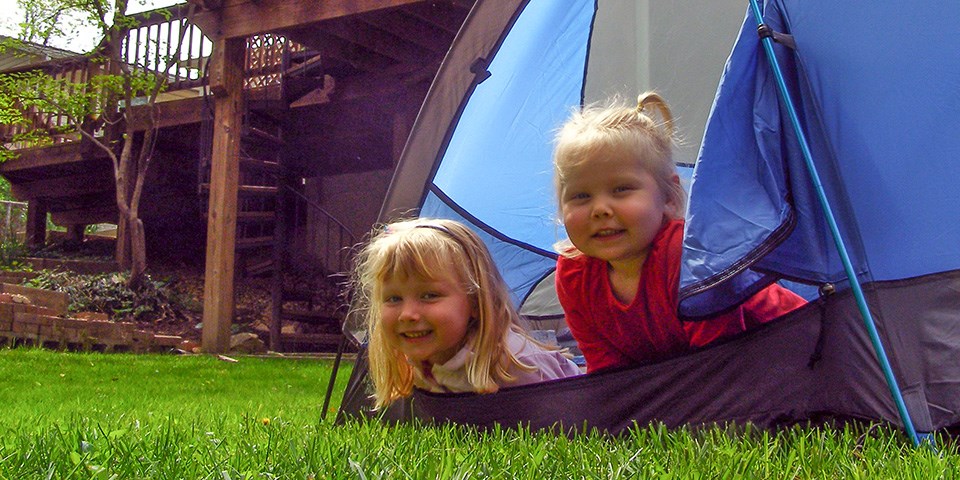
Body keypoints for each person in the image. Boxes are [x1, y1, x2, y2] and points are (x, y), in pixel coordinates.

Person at [553, 92, 806, 373]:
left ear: (669, 198)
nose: (600, 209)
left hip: (790, 346)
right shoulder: (574, 274)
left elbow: (719, 361)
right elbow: (608, 374)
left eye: (621, 189)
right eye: (580, 196)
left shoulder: (687, 255)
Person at [351, 217, 581, 409]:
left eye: (429, 295)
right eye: (393, 299)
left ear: (474, 302)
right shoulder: (423, 358)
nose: (407, 314)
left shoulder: (519, 366)